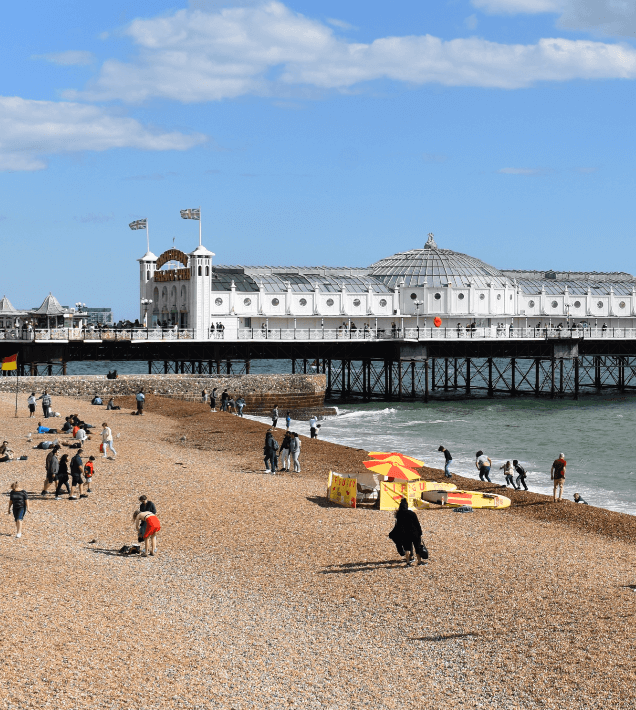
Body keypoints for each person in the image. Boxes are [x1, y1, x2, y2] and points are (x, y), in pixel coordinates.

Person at [389, 498, 426, 567]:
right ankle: (419, 562)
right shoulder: (412, 513)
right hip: (414, 533)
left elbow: (398, 525)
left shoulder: (399, 515)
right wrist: (420, 532)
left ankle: (408, 562)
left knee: (407, 548)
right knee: (417, 548)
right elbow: (417, 524)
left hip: (405, 534)